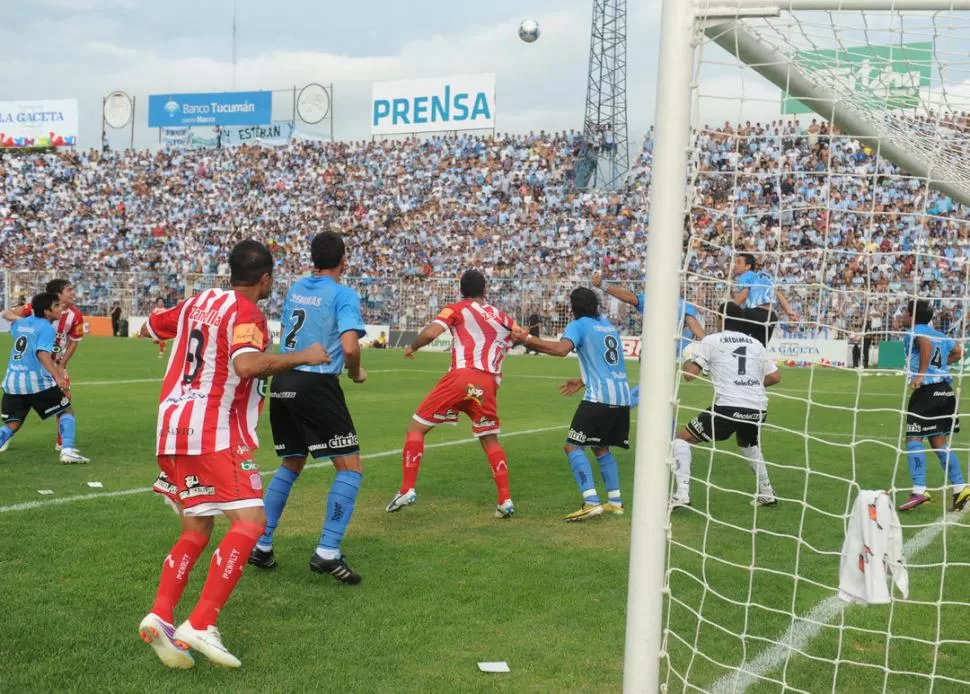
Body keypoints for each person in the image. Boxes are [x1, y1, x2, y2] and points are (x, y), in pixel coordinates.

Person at [136, 240, 330, 670]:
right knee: (250, 522)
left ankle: (162, 614)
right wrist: (304, 356)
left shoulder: (197, 302)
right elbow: (246, 365)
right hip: (213, 430)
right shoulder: (247, 313)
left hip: (171, 428)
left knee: (196, 530)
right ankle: (201, 622)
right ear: (265, 279)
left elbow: (148, 327)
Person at [249, 231, 368, 584]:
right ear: (343, 261)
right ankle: (327, 551)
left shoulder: (296, 287)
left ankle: (263, 544)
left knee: (292, 462)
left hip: (283, 380)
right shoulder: (344, 294)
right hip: (316, 383)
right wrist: (356, 371)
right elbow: (349, 347)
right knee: (351, 467)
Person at [386, 269, 521, 518]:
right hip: (488, 383)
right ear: (485, 289)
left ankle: (407, 489)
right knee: (490, 440)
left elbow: (431, 333)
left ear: (462, 290)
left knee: (416, 428)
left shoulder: (456, 309)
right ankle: (505, 501)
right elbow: (521, 337)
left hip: (462, 376)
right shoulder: (501, 316)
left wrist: (412, 346)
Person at [514, 287, 631, 521]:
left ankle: (591, 502)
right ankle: (615, 502)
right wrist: (582, 380)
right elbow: (607, 364)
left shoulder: (579, 325)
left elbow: (560, 350)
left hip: (600, 398)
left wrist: (527, 339)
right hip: (622, 396)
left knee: (572, 446)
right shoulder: (608, 326)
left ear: (573, 307)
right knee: (600, 446)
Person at [670, 302, 780, 508]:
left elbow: (689, 375)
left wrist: (688, 356)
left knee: (681, 440)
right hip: (758, 408)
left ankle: (682, 493)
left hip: (729, 407)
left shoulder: (711, 340)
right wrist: (751, 384)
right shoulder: (756, 343)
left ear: (721, 319)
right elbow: (775, 377)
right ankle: (767, 492)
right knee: (748, 444)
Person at [896, 299, 968, 512]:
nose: (903, 316)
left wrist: (921, 375)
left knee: (913, 438)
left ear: (911, 314)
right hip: (945, 392)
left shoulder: (915, 332)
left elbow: (925, 344)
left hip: (926, 392)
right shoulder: (941, 334)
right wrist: (942, 367)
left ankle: (919, 490)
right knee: (939, 443)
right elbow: (959, 352)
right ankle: (960, 488)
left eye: (905, 312)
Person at [592, 273, 706, 407]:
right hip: (654, 353)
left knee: (658, 395)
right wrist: (708, 343)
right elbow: (629, 297)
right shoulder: (670, 303)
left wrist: (707, 342)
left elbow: (629, 297)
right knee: (655, 392)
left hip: (658, 354)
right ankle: (620, 406)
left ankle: (620, 405)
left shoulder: (669, 303)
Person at [0, 292, 89, 464]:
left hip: (12, 381)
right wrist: (58, 376)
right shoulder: (47, 328)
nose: (60, 309)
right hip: (36, 382)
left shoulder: (21, 324)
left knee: (13, 424)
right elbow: (42, 353)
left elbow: (9, 317)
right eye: (56, 306)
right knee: (65, 410)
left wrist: (19, 319)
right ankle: (67, 450)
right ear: (47, 311)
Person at [731, 253, 800, 347]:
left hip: (753, 313)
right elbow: (778, 294)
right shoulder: (764, 277)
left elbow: (744, 294)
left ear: (748, 266)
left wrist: (729, 308)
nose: (735, 264)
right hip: (770, 316)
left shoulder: (745, 275)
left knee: (734, 340)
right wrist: (789, 311)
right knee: (759, 348)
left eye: (738, 262)